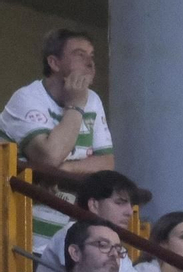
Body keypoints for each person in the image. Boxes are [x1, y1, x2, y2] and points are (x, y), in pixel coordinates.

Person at [3, 28, 114, 246]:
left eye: (92, 56)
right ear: (54, 63)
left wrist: (64, 171)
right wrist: (75, 105)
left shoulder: (92, 100)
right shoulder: (27, 98)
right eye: (80, 55)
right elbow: (49, 157)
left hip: (66, 237)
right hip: (20, 236)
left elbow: (107, 164)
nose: (90, 63)